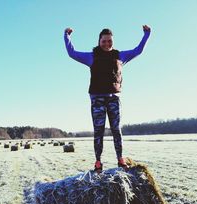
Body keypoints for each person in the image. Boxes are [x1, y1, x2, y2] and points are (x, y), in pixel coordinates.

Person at [64, 25, 151, 173]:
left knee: (116, 130)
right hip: (97, 99)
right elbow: (72, 53)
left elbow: (138, 50)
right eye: (104, 41)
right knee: (99, 131)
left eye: (109, 41)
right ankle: (98, 162)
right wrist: (67, 36)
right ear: (99, 41)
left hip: (114, 98)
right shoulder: (91, 56)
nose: (107, 43)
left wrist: (146, 34)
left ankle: (120, 159)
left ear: (113, 41)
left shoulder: (120, 56)